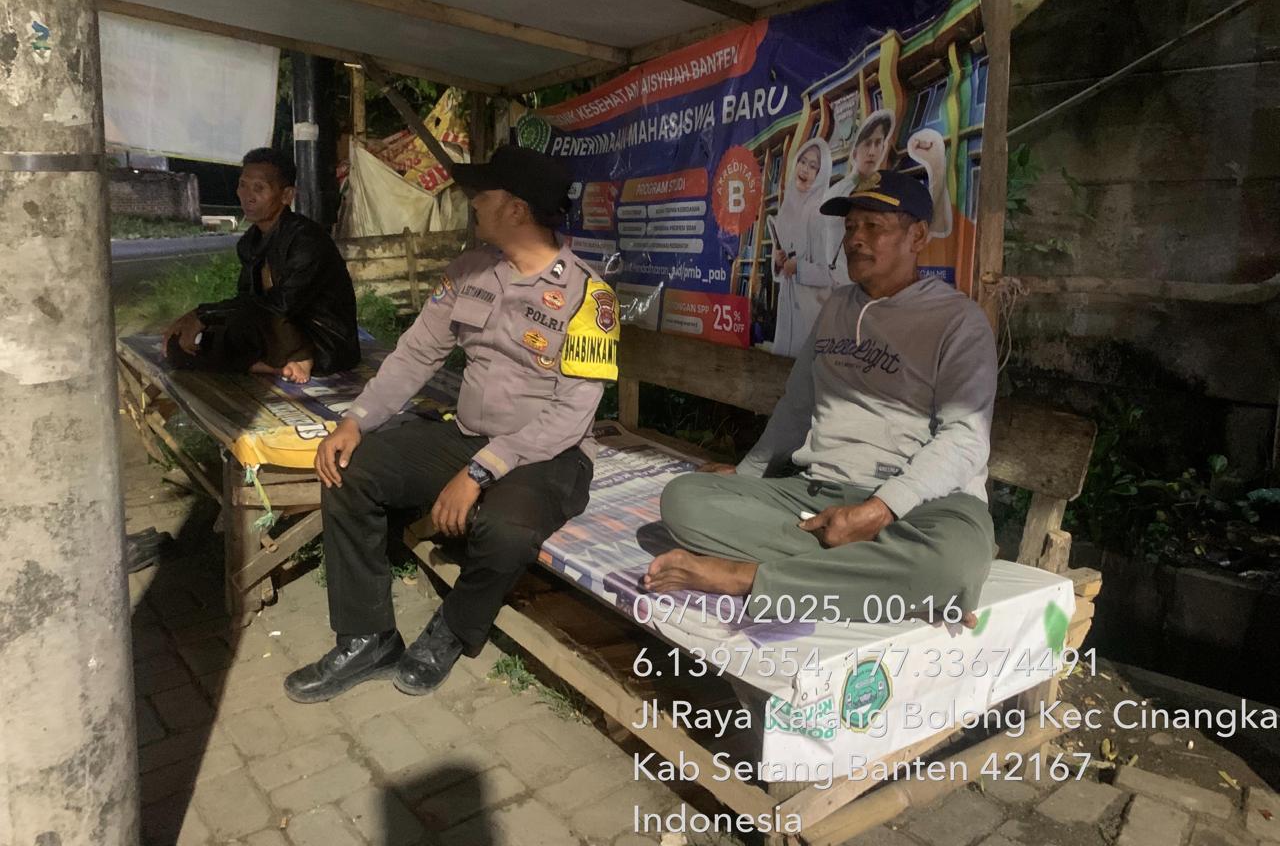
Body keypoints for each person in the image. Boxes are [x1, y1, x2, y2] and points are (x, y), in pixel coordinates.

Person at [284, 145, 619, 703]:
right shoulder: (468, 271)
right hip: (466, 435)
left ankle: (455, 627)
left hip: (548, 454)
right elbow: (417, 354)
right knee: (351, 468)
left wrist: (480, 472)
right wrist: (356, 420)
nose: (472, 204)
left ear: (516, 209)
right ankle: (367, 637)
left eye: (483, 196)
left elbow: (571, 413)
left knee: (506, 529)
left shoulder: (589, 297)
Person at [646, 170, 996, 626]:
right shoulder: (836, 307)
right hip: (820, 493)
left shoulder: (959, 320)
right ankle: (883, 576)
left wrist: (880, 509)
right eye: (850, 227)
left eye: (874, 226)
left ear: (918, 236)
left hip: (923, 505)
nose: (855, 239)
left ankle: (746, 577)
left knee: (953, 560)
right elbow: (797, 404)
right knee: (684, 500)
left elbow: (966, 437)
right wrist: (749, 476)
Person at [162, 147, 360, 383]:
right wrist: (202, 317)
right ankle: (272, 367)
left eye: (259, 188)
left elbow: (283, 305)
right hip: (271, 332)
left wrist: (205, 315)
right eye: (243, 185)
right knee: (179, 348)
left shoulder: (307, 240)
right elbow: (247, 302)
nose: (248, 196)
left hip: (321, 343)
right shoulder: (249, 243)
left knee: (259, 316)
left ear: (286, 195)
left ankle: (292, 360)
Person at [769, 137, 848, 357]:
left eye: (813, 166)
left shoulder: (821, 214)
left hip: (811, 313)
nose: (805, 169)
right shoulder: (787, 209)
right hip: (787, 312)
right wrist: (778, 262)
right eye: (803, 162)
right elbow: (781, 272)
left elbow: (831, 274)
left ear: (821, 175)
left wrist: (798, 268)